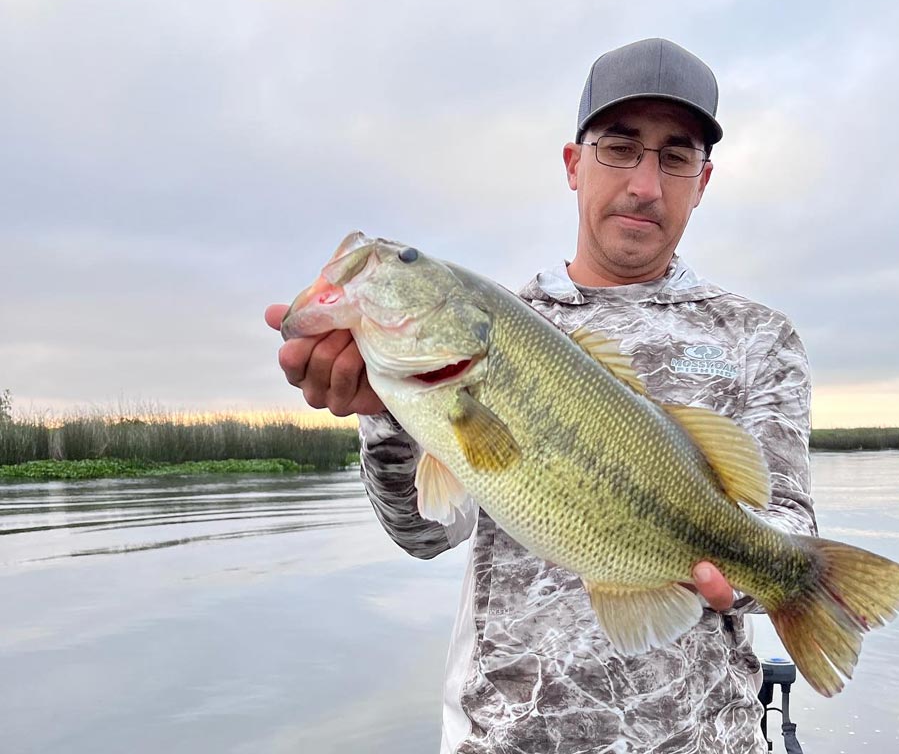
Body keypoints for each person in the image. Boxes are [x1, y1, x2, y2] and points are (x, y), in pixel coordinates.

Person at [266, 37, 816, 754]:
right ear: (573, 165)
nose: (645, 183)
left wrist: (746, 579)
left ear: (702, 181)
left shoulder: (757, 338)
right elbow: (426, 533)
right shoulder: (510, 322)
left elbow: (787, 524)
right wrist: (386, 418)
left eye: (674, 155)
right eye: (620, 147)